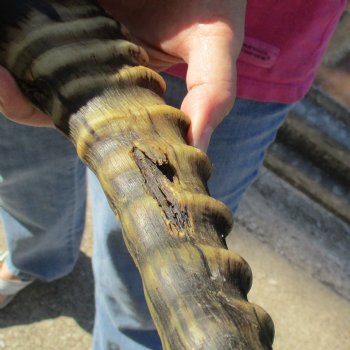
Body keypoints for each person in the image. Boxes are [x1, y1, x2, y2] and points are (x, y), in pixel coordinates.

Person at [0, 0, 347, 349]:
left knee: (151, 287)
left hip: (238, 44)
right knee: (26, 179)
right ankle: (33, 259)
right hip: (21, 17)